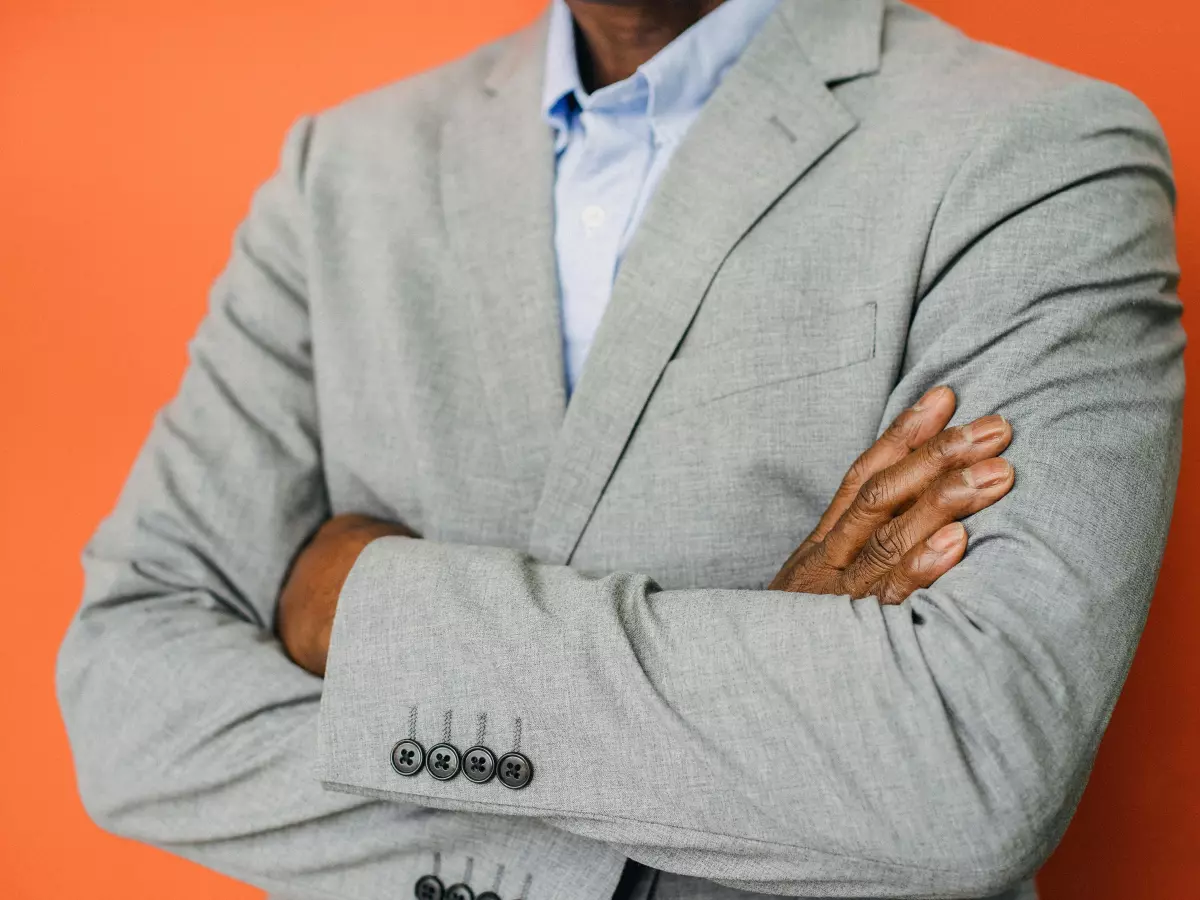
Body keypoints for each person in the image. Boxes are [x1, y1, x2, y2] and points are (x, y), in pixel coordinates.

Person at [56, 0, 1184, 898]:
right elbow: (125, 690)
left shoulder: (1041, 150)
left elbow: (970, 769)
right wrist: (749, 733)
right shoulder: (338, 170)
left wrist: (362, 612)